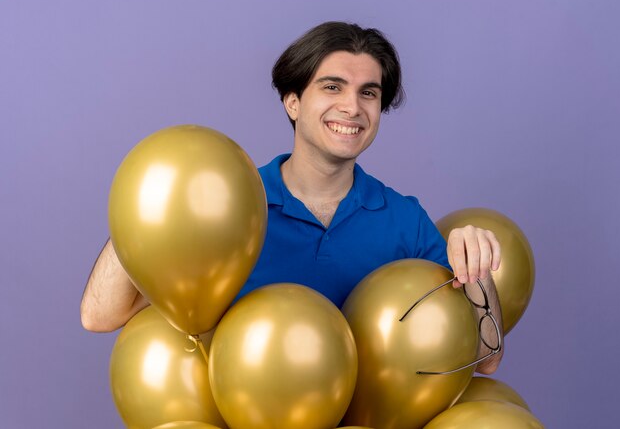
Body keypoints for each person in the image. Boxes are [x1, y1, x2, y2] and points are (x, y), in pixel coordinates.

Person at [81, 21, 503, 374]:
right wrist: (143, 209)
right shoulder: (226, 207)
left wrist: (477, 267)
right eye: (333, 87)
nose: (352, 107)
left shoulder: (404, 220)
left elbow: (487, 360)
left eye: (368, 93)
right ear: (293, 102)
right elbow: (99, 316)